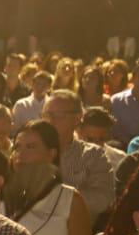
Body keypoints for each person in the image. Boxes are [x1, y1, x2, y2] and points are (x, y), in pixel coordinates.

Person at [6, 120, 92, 235]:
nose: (20, 155)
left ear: (51, 154)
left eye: (31, 147)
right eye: (17, 147)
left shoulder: (71, 200)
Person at [38, 90, 116, 219]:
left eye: (57, 115)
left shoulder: (93, 155)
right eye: (46, 114)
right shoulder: (28, 151)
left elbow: (103, 200)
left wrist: (56, 198)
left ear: (77, 118)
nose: (50, 120)